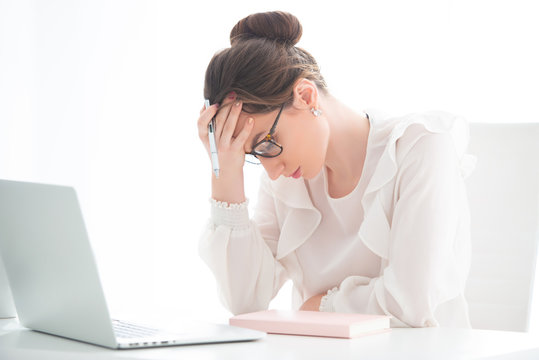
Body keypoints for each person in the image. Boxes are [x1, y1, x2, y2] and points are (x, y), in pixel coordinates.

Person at [197, 11, 476, 328]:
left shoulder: (420, 148)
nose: (271, 171)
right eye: (254, 155)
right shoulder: (287, 181)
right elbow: (245, 301)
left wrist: (317, 308)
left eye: (266, 144)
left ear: (305, 96)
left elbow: (409, 303)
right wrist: (226, 176)